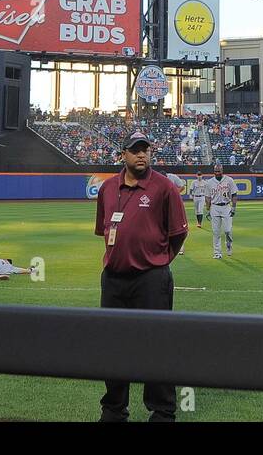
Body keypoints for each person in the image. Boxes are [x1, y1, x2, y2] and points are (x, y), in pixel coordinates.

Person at [96, 130, 188, 422]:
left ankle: (162, 411)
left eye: (145, 149)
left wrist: (158, 262)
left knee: (156, 343)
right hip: (113, 278)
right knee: (112, 345)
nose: (141, 154)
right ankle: (113, 408)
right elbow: (105, 231)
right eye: (135, 150)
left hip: (151, 278)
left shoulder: (164, 187)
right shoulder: (108, 189)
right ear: (122, 154)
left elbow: (178, 233)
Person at [207, 162, 238, 260]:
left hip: (226, 207)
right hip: (215, 207)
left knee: (228, 230)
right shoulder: (209, 182)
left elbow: (234, 194)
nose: (217, 173)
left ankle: (228, 245)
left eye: (218, 171)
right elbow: (207, 197)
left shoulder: (229, 180)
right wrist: (208, 210)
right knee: (216, 232)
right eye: (215, 171)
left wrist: (233, 208)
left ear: (222, 171)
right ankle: (217, 252)